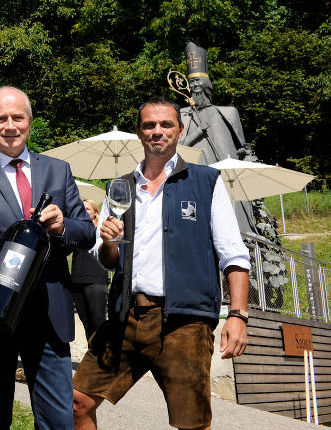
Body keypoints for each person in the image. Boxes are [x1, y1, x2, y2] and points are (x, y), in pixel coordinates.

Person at [72, 96, 251, 430]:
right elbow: (107, 259)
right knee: (78, 401)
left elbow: (234, 255)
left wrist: (238, 315)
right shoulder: (119, 187)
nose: (157, 131)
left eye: (166, 124)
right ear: (139, 132)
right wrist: (109, 240)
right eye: (149, 125)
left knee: (191, 424)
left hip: (184, 322)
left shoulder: (206, 182)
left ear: (180, 131)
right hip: (127, 315)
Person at [0, 86, 96, 430]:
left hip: (49, 314)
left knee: (58, 421)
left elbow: (86, 233)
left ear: (29, 121)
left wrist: (62, 226)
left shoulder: (58, 169)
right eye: (0, 118)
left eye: (17, 117)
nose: (10, 125)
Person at [178, 42, 257, 237]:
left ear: (206, 85)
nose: (196, 86)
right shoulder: (183, 114)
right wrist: (198, 132)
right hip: (196, 169)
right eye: (192, 83)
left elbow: (244, 148)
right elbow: (179, 147)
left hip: (225, 171)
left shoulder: (227, 113)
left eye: (199, 82)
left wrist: (240, 153)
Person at [70, 199, 109, 340]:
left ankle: (105, 359)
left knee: (99, 324)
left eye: (87, 209)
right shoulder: (77, 230)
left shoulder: (100, 231)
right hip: (76, 281)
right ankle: (91, 358)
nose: (84, 211)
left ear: (95, 213)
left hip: (96, 280)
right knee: (87, 325)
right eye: (82, 209)